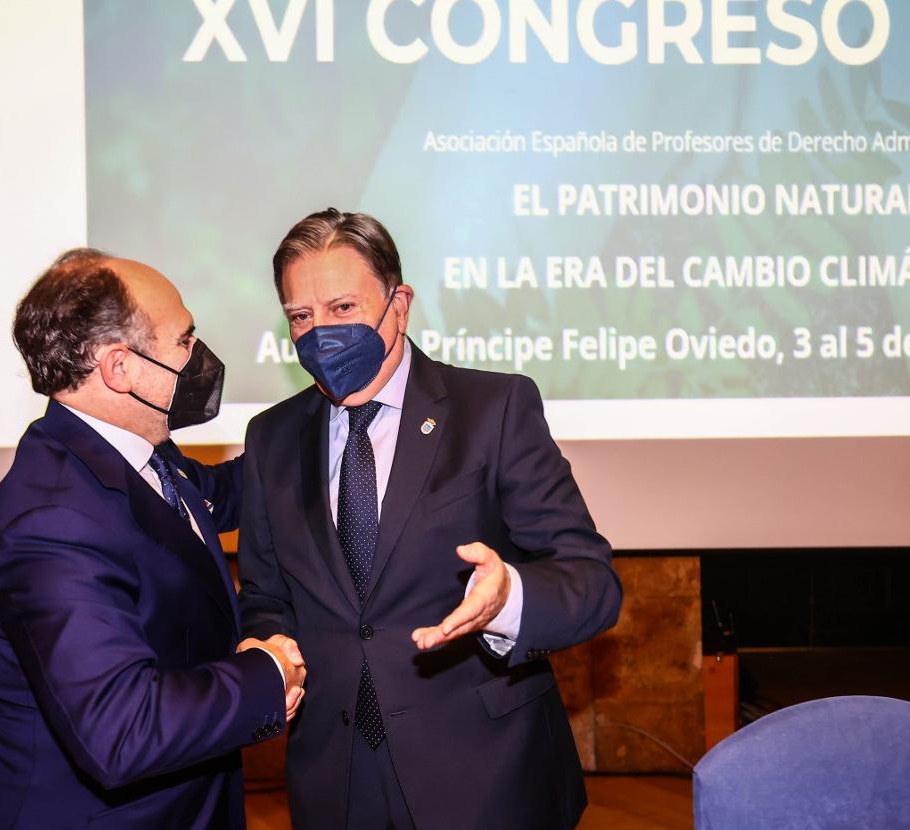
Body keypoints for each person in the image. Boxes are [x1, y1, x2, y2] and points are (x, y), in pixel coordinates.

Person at [237, 210, 624, 829]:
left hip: (486, 777)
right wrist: (266, 644)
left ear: (400, 304)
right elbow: (265, 596)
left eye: (342, 308)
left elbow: (591, 581)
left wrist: (510, 599)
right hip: (334, 782)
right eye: (301, 317)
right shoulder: (270, 438)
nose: (320, 334)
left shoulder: (493, 409)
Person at [0, 248, 306, 829]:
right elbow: (122, 731)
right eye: (184, 340)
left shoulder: (135, 454)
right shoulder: (51, 523)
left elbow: (220, 494)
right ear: (119, 367)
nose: (200, 357)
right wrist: (266, 675)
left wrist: (326, 424)